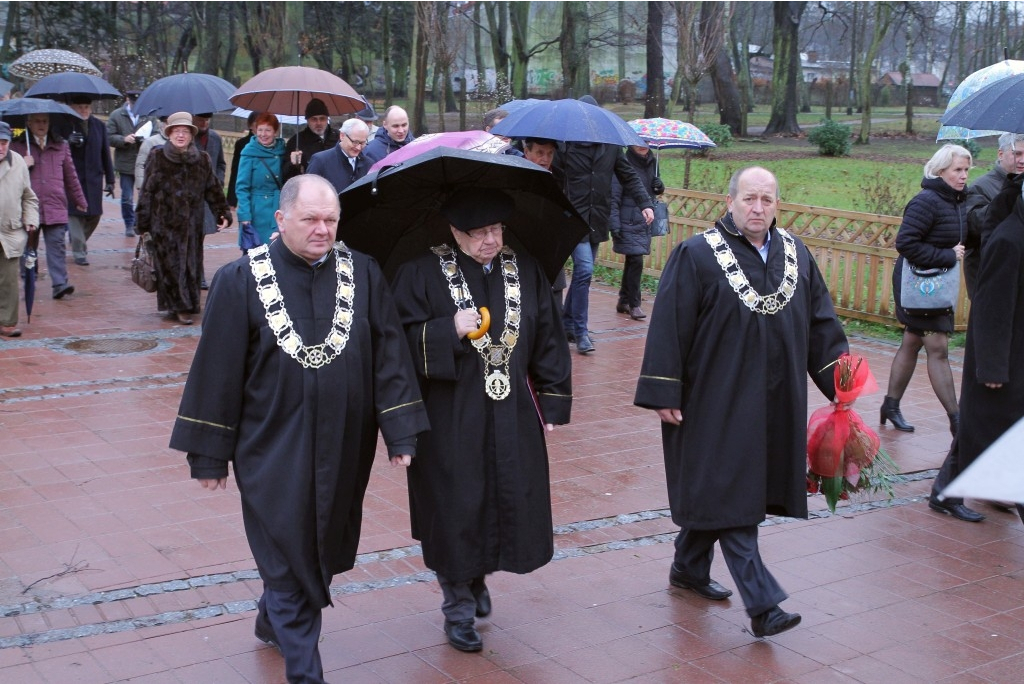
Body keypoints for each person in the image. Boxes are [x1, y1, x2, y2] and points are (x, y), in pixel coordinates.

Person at [169, 174, 429, 684]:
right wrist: (208, 454)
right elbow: (217, 370)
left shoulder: (365, 274)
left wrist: (400, 431)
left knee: (324, 542)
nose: (323, 230)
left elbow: (390, 354)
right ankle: (305, 670)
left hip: (345, 445)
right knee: (285, 542)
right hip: (271, 445)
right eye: (310, 219)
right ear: (281, 219)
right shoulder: (239, 280)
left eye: (331, 220)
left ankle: (273, 614)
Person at [634, 166, 848, 639]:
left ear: (777, 203)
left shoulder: (795, 254)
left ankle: (689, 567)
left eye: (766, 200)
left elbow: (821, 326)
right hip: (712, 400)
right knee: (730, 492)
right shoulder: (696, 255)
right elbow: (669, 324)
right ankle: (763, 604)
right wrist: (663, 388)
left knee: (721, 488)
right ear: (729, 200)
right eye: (749, 199)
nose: (757, 208)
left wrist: (844, 390)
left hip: (775, 401)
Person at [390, 188, 572, 653]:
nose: (491, 240)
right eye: (478, 233)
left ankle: (477, 575)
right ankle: (457, 607)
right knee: (454, 507)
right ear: (454, 232)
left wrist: (552, 401)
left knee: (506, 496)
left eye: (496, 230)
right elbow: (395, 345)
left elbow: (548, 333)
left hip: (511, 411)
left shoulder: (524, 268)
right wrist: (445, 329)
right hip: (450, 415)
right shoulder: (419, 273)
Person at [556, 94, 654, 354]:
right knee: (586, 270)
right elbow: (549, 176)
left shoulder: (610, 146)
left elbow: (629, 175)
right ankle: (581, 330)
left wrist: (646, 203)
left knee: (582, 275)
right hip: (571, 219)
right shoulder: (564, 145)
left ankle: (567, 324)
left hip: (596, 220)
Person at [951, 184, 1024, 526]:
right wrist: (992, 367)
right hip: (1007, 363)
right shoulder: (1010, 240)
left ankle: (943, 490)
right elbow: (992, 309)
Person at [135, 112, 231, 325]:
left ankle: (185, 303)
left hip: (192, 224)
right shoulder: (157, 157)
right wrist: (142, 222)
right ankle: (179, 306)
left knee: (191, 264)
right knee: (171, 264)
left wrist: (222, 212)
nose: (180, 135)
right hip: (164, 224)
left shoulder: (202, 159)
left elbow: (213, 189)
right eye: (176, 131)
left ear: (191, 135)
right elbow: (147, 192)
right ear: (169, 134)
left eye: (185, 131)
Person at [11, 113, 87, 300]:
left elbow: (71, 176)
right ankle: (29, 278)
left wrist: (80, 200)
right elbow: (7, 176)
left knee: (57, 246)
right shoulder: (17, 147)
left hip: (55, 205)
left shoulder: (61, 146)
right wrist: (22, 164)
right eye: (37, 121)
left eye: (44, 121)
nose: (41, 125)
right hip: (28, 208)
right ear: (28, 123)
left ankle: (60, 284)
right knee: (29, 247)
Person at [962, 132, 1024, 296]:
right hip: (990, 278)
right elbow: (972, 228)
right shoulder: (981, 186)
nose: (1023, 160)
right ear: (1001, 154)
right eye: (1017, 153)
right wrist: (1005, 202)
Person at [610, 144, 663, 320]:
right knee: (636, 260)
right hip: (627, 220)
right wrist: (615, 223)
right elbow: (615, 195)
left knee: (633, 260)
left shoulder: (652, 163)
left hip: (643, 220)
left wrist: (659, 187)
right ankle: (635, 304)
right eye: (639, 143)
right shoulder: (623, 162)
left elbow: (650, 193)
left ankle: (623, 300)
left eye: (646, 143)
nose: (643, 147)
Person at [64, 95, 114, 267]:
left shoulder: (99, 126)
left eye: (86, 106)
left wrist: (110, 179)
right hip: (73, 178)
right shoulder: (65, 125)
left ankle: (78, 239)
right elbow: (57, 148)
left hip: (94, 177)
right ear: (72, 107)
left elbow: (105, 153)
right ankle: (79, 252)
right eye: (80, 107)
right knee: (74, 213)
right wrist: (67, 142)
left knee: (94, 214)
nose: (84, 110)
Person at [0, 121, 39, 338]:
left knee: (9, 280)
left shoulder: (18, 163)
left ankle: (7, 321)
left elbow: (29, 197)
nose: (0, 147)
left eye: (4, 142)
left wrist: (31, 219)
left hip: (10, 230)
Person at [523, 137, 567, 319]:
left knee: (555, 300)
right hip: (524, 245)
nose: (545, 159)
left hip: (552, 246)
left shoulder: (559, 177)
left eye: (550, 154)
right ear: (527, 152)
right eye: (540, 153)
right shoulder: (516, 174)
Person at [236, 113, 289, 249]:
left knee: (278, 251)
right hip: (256, 212)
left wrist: (295, 163)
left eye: (268, 130)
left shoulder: (283, 151)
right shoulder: (249, 152)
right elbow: (242, 187)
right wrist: (245, 215)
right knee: (257, 254)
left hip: (278, 207)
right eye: (260, 130)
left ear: (275, 132)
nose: (263, 134)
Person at [106, 89, 152, 237]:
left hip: (144, 163)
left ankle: (140, 222)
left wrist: (146, 140)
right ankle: (129, 223)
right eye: (133, 102)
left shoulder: (148, 115)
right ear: (127, 100)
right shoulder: (116, 115)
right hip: (125, 163)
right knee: (126, 197)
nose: (136, 105)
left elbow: (156, 134)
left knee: (144, 195)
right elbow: (108, 137)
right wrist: (123, 139)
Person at [193, 113, 227, 290]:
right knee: (194, 238)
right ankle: (196, 275)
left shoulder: (215, 138)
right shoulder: (188, 138)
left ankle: (198, 275)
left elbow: (221, 163)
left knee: (199, 237)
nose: (204, 123)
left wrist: (218, 182)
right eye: (200, 120)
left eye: (207, 120)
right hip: (190, 197)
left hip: (208, 197)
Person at [306, 118, 371, 193]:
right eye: (355, 142)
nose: (358, 147)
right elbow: (310, 194)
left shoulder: (369, 164)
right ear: (342, 136)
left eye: (362, 143)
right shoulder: (320, 161)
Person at [283, 98, 339, 176]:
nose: (318, 123)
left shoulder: (339, 138)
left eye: (322, 118)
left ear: (327, 119)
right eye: (314, 119)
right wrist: (292, 165)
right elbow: (286, 175)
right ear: (307, 120)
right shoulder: (296, 141)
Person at [227, 111, 258, 209]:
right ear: (250, 125)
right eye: (257, 123)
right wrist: (232, 200)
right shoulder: (242, 144)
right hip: (247, 190)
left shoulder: (273, 146)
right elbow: (236, 171)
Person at [134, 116, 168, 198]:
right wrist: (140, 186)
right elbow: (140, 164)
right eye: (167, 123)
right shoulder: (150, 142)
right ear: (162, 125)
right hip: (153, 187)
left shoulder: (181, 142)